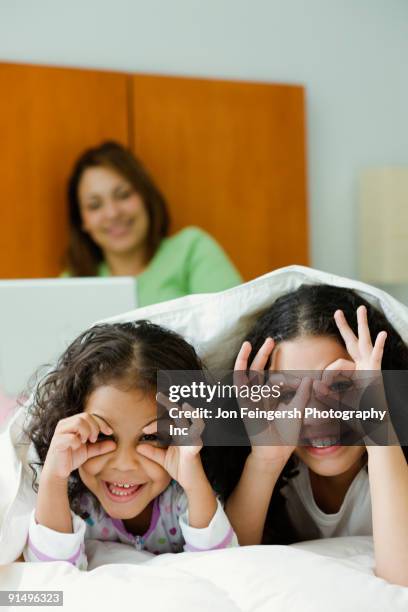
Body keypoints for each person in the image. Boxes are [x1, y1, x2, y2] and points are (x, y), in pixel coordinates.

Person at [223, 284, 408, 586]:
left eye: (339, 386)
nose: (315, 415)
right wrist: (265, 462)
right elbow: (224, 565)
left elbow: (402, 579)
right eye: (288, 393)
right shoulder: (280, 473)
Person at [23, 321, 237, 570]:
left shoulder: (182, 500)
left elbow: (223, 567)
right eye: (102, 436)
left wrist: (194, 479)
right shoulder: (73, 502)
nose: (124, 464)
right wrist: (53, 476)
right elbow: (49, 577)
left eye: (149, 437)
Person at [64, 141, 242, 306]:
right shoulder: (71, 283)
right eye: (95, 205)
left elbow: (235, 325)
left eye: (124, 194)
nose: (113, 213)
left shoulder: (190, 249)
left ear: (145, 197)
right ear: (82, 221)